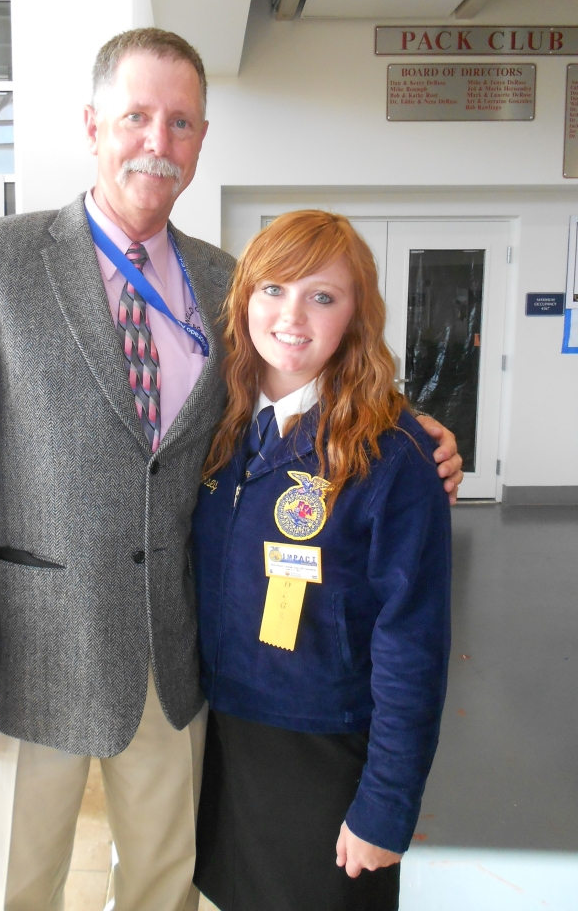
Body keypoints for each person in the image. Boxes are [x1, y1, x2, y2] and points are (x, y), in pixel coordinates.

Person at [0, 29, 462, 911]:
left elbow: (298, 382)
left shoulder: (230, 283)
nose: (157, 143)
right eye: (137, 117)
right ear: (93, 125)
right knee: (17, 888)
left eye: (181, 123)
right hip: (29, 660)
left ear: (202, 140)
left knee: (163, 888)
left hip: (178, 666)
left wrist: (406, 427)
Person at [191, 210, 452, 911]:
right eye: (273, 289)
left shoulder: (391, 455)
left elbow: (413, 644)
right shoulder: (219, 425)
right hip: (226, 735)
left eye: (323, 296)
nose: (292, 316)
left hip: (326, 751)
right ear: (244, 298)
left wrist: (386, 806)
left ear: (356, 315)